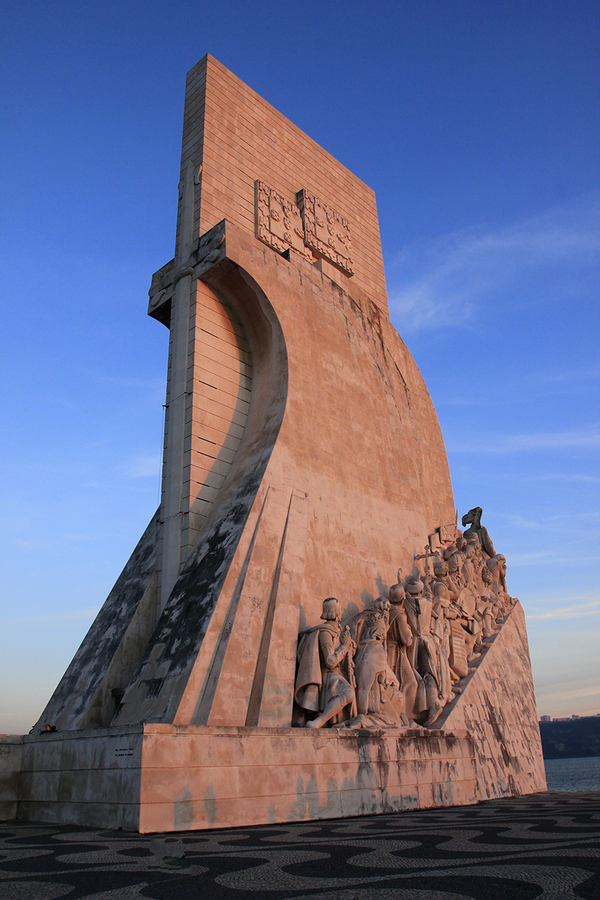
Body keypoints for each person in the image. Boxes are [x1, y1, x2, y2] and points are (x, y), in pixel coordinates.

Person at [295, 598, 356, 729]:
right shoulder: (326, 633)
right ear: (336, 613)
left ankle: (334, 721)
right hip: (329, 675)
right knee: (349, 693)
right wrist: (344, 646)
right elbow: (330, 661)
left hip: (339, 674)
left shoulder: (337, 632)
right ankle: (320, 721)